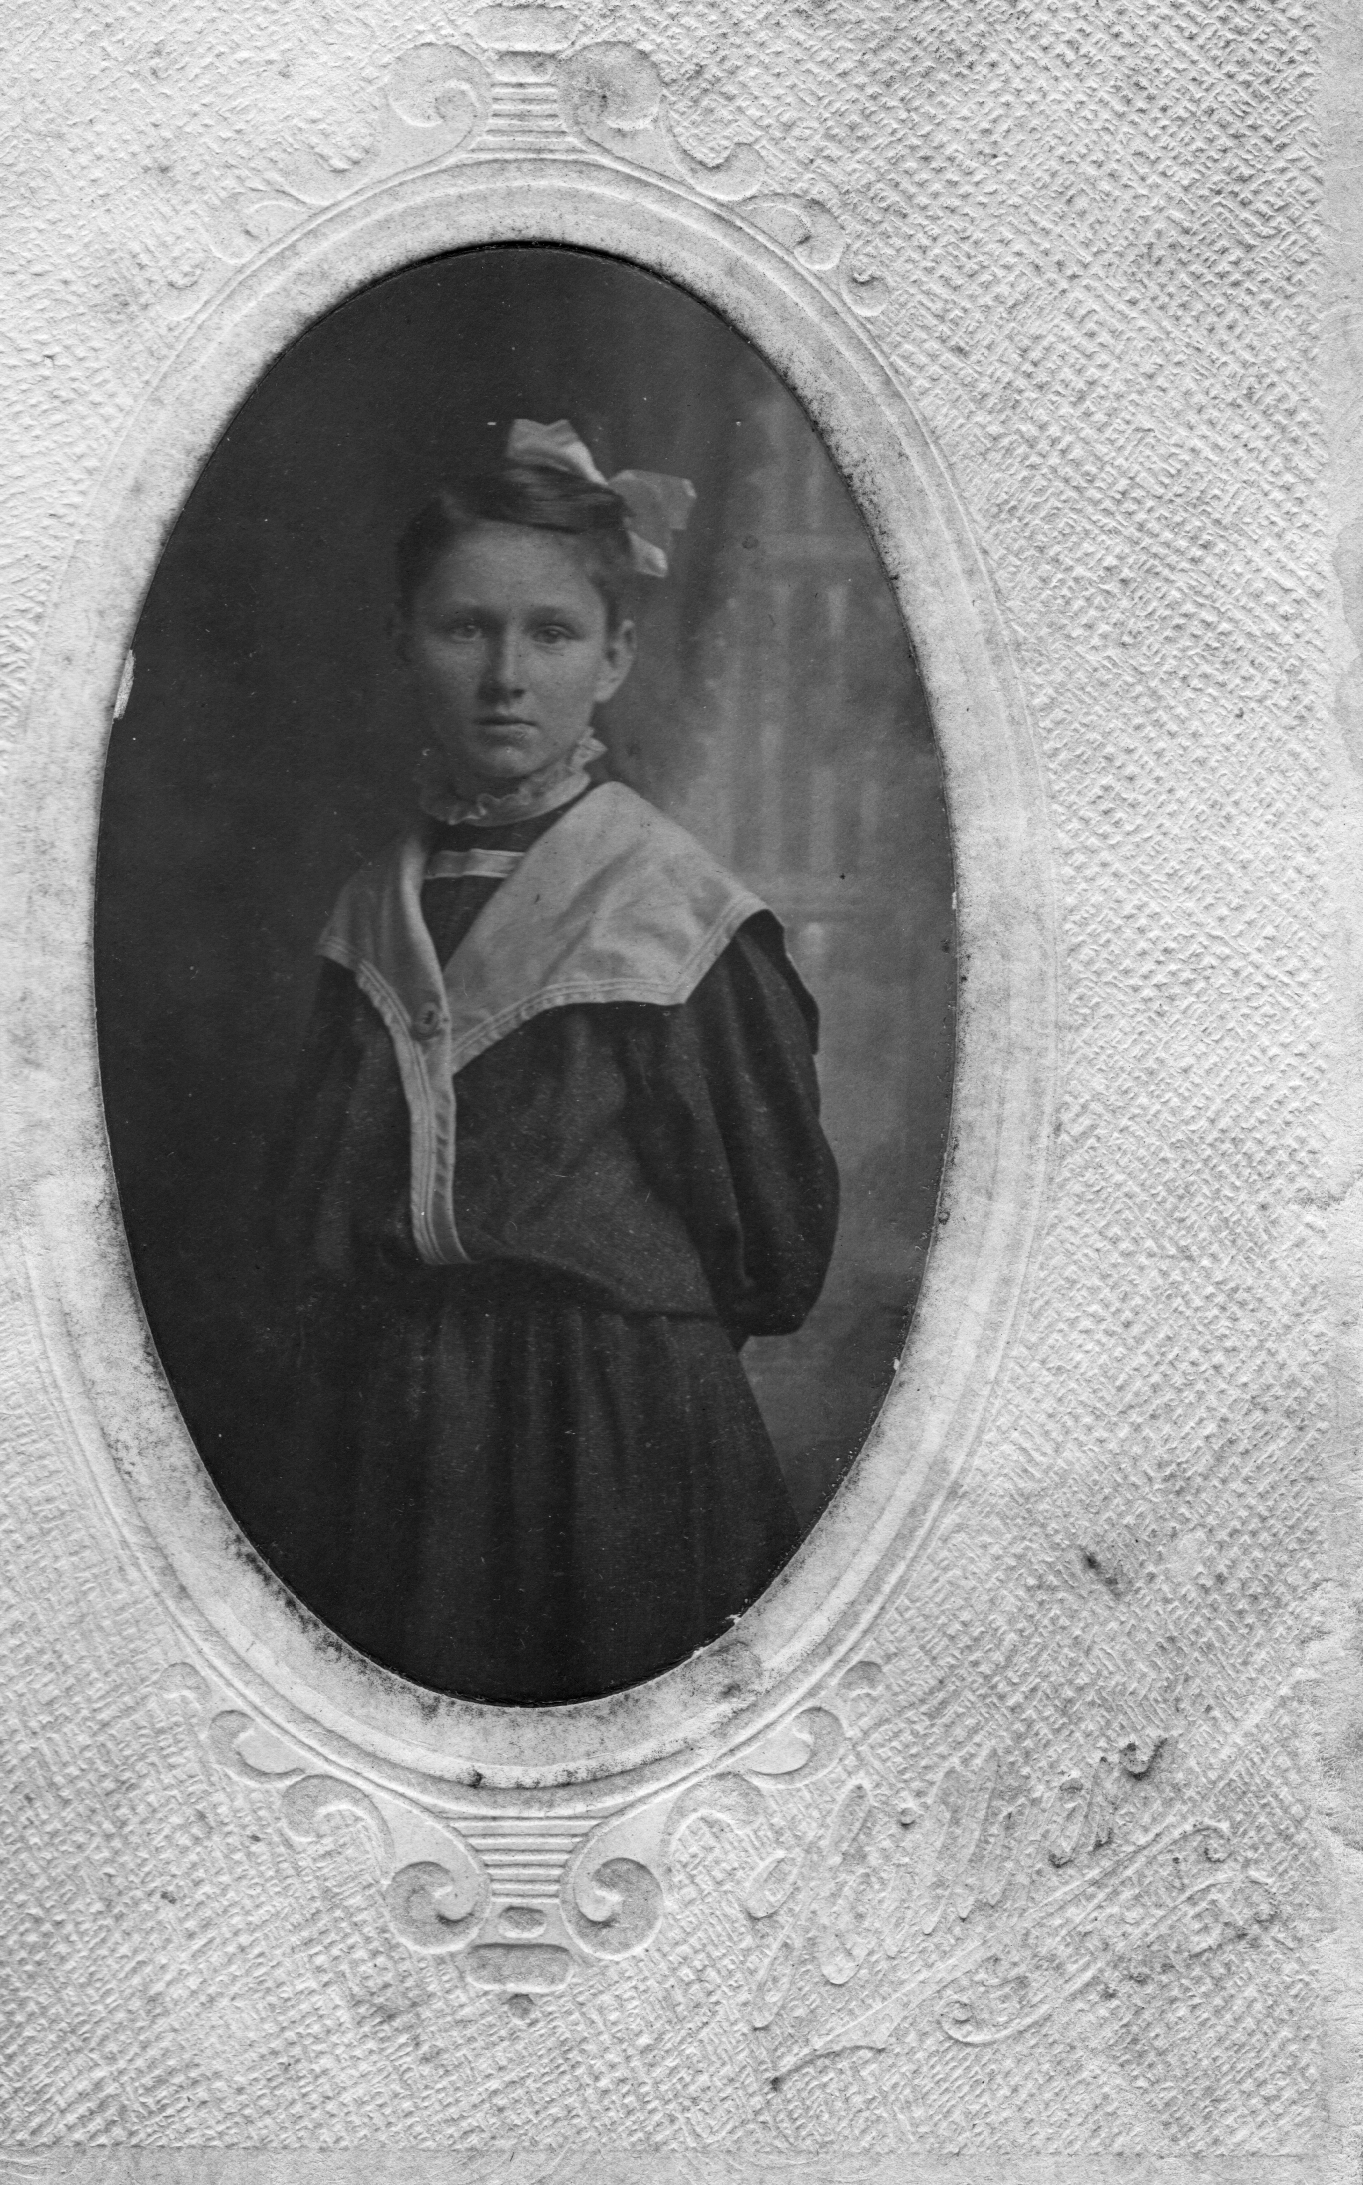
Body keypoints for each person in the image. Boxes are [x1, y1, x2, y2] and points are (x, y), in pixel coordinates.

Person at [260, 418, 839, 1705]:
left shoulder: (671, 910)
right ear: (403, 641)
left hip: (611, 1422)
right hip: (402, 1419)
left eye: (554, 633)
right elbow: (311, 1217)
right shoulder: (371, 909)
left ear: (615, 654)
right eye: (465, 629)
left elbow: (770, 1244)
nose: (506, 676)